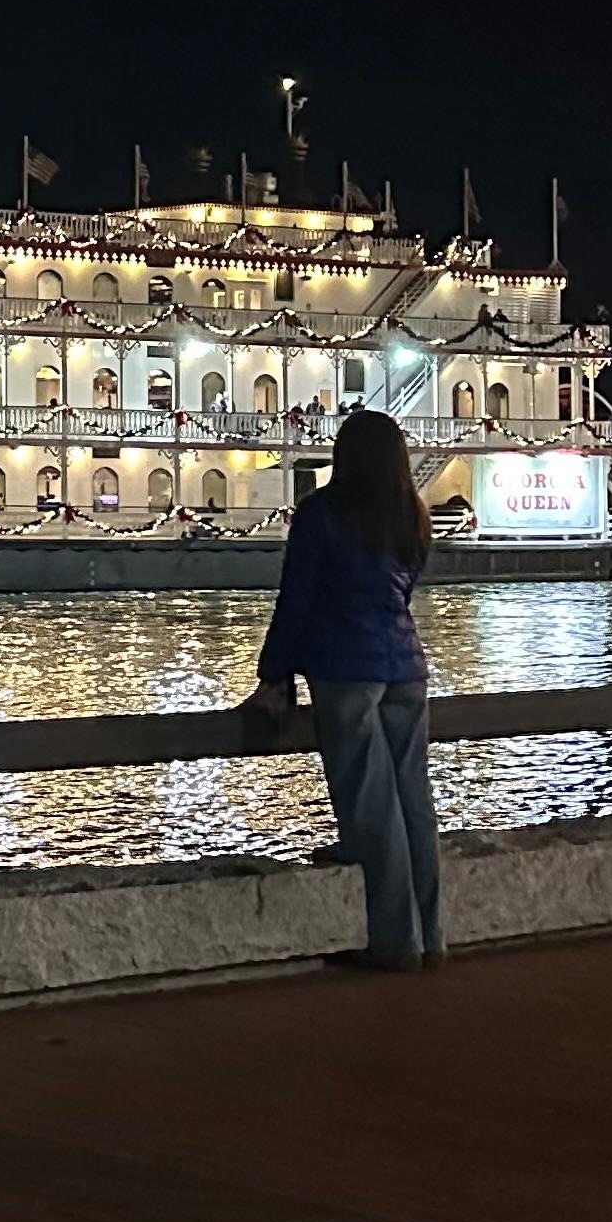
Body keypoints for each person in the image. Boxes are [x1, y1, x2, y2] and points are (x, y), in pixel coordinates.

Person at [244, 406, 442, 966]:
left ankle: (395, 942)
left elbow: (297, 601)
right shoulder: (412, 514)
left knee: (371, 805)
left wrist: (274, 675)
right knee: (413, 803)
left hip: (346, 669)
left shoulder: (322, 514)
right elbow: (399, 595)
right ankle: (432, 936)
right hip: (407, 669)